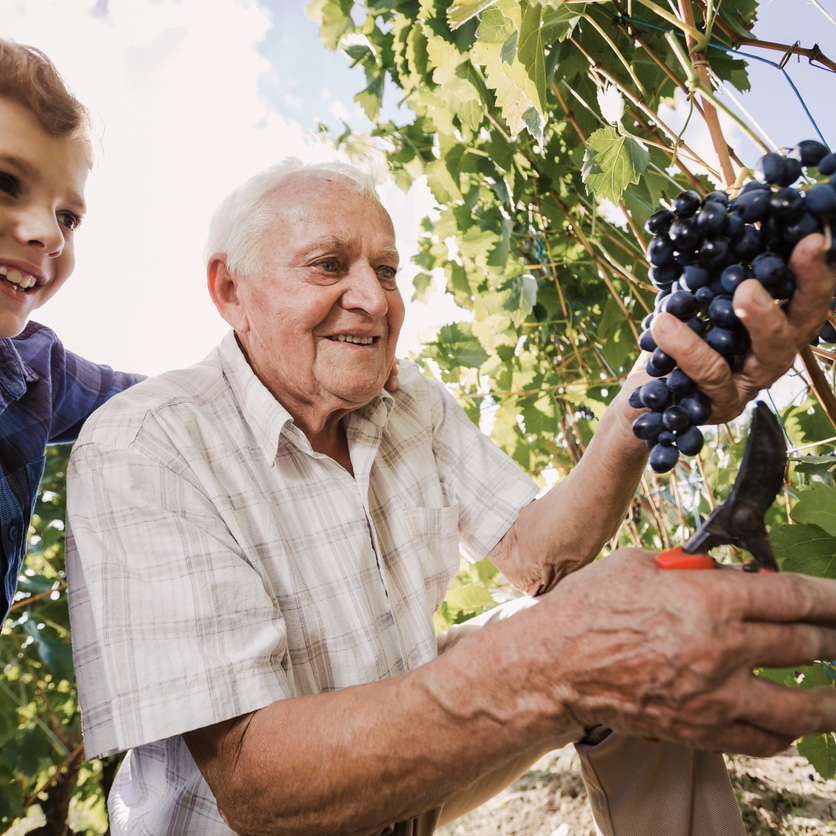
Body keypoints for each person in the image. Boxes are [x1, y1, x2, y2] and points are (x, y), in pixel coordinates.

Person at [66, 158, 836, 836]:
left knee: (640, 627)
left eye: (388, 270)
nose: (373, 298)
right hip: (269, 823)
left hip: (407, 776)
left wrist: (652, 395)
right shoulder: (147, 444)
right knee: (590, 645)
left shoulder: (413, 406)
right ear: (229, 290)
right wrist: (558, 662)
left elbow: (539, 558)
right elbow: (255, 786)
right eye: (329, 265)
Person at [0, 38, 144, 623]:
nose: (51, 237)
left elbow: (165, 401)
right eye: (6, 182)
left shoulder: (34, 369)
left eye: (69, 217)